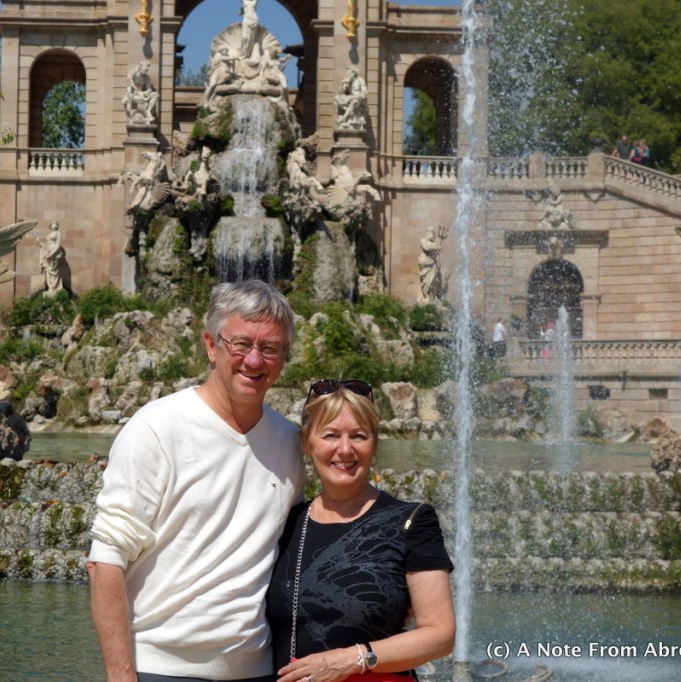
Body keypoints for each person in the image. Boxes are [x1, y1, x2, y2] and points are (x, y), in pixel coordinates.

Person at [88, 279, 305, 682]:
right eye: (240, 344)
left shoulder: (290, 443)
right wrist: (121, 675)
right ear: (210, 345)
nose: (254, 360)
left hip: (257, 671)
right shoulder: (155, 428)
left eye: (270, 348)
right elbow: (106, 561)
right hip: (157, 669)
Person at [267, 379, 455, 682]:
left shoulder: (411, 521)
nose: (345, 449)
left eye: (358, 436)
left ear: (374, 444)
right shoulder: (285, 523)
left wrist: (352, 659)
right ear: (307, 443)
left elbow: (440, 635)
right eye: (330, 435)